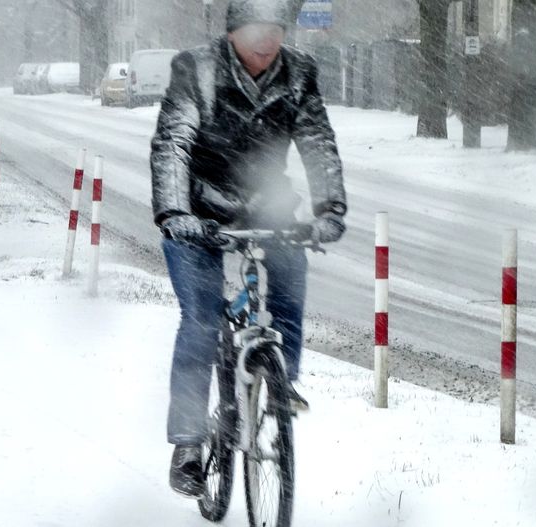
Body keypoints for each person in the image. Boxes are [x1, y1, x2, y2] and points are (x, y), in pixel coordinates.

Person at [149, 0, 347, 498]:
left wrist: (330, 210)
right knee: (201, 320)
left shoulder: (298, 72)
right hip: (197, 209)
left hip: (266, 204)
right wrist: (176, 214)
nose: (267, 38)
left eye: (276, 28)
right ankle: (189, 442)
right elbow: (173, 143)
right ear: (233, 31)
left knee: (288, 283)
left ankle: (280, 386)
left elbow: (317, 141)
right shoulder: (196, 69)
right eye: (256, 27)